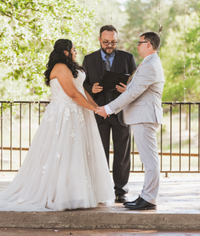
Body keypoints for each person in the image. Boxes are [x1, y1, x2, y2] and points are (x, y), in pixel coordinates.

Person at [0, 39, 114, 211]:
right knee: (61, 152)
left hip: (78, 114)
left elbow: (82, 90)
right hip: (64, 115)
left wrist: (96, 108)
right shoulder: (60, 67)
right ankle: (56, 193)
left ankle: (76, 192)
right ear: (65, 51)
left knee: (77, 153)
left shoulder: (72, 68)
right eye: (73, 49)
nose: (76, 52)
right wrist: (93, 109)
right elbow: (72, 93)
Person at [96, 31, 165, 210]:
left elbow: (133, 94)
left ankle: (149, 198)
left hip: (145, 117)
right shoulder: (148, 63)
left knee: (150, 160)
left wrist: (108, 109)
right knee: (148, 159)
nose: (137, 46)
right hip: (142, 117)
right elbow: (133, 90)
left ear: (149, 44)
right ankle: (146, 195)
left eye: (140, 42)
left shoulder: (150, 64)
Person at [83, 25, 137, 203]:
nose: (109, 45)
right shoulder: (89, 59)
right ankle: (101, 189)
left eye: (113, 42)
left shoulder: (128, 58)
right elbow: (82, 85)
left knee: (122, 154)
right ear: (99, 39)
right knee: (100, 152)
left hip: (121, 113)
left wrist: (126, 89)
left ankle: (120, 190)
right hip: (99, 112)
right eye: (106, 42)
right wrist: (92, 88)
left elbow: (135, 84)